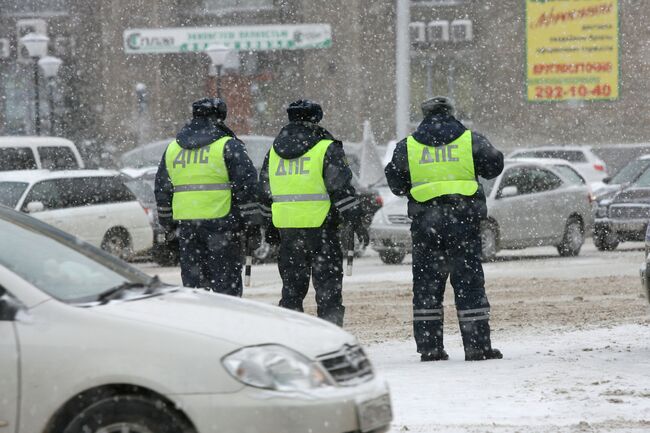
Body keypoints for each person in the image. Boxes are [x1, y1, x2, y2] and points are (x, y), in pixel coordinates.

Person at [385, 96, 504, 361]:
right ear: (451, 113)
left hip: (426, 228)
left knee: (427, 287)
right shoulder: (470, 140)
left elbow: (396, 183)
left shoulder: (409, 146)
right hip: (464, 224)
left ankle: (430, 349)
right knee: (469, 284)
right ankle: (477, 346)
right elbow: (494, 165)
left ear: (424, 116)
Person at [259, 99, 369, 326]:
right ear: (316, 119)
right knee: (328, 291)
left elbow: (265, 192)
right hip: (322, 230)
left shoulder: (274, 152)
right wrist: (355, 220)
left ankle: (292, 339)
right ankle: (329, 339)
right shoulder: (325, 148)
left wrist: (268, 225)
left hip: (287, 231)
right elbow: (341, 188)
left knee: (291, 291)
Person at [154, 97, 260, 297]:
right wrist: (252, 224)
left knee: (194, 290)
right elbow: (247, 187)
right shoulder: (228, 146)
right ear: (220, 117)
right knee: (226, 288)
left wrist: (167, 225)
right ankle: (223, 326)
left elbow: (162, 190)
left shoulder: (173, 149)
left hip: (187, 227)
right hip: (223, 225)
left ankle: (200, 325)